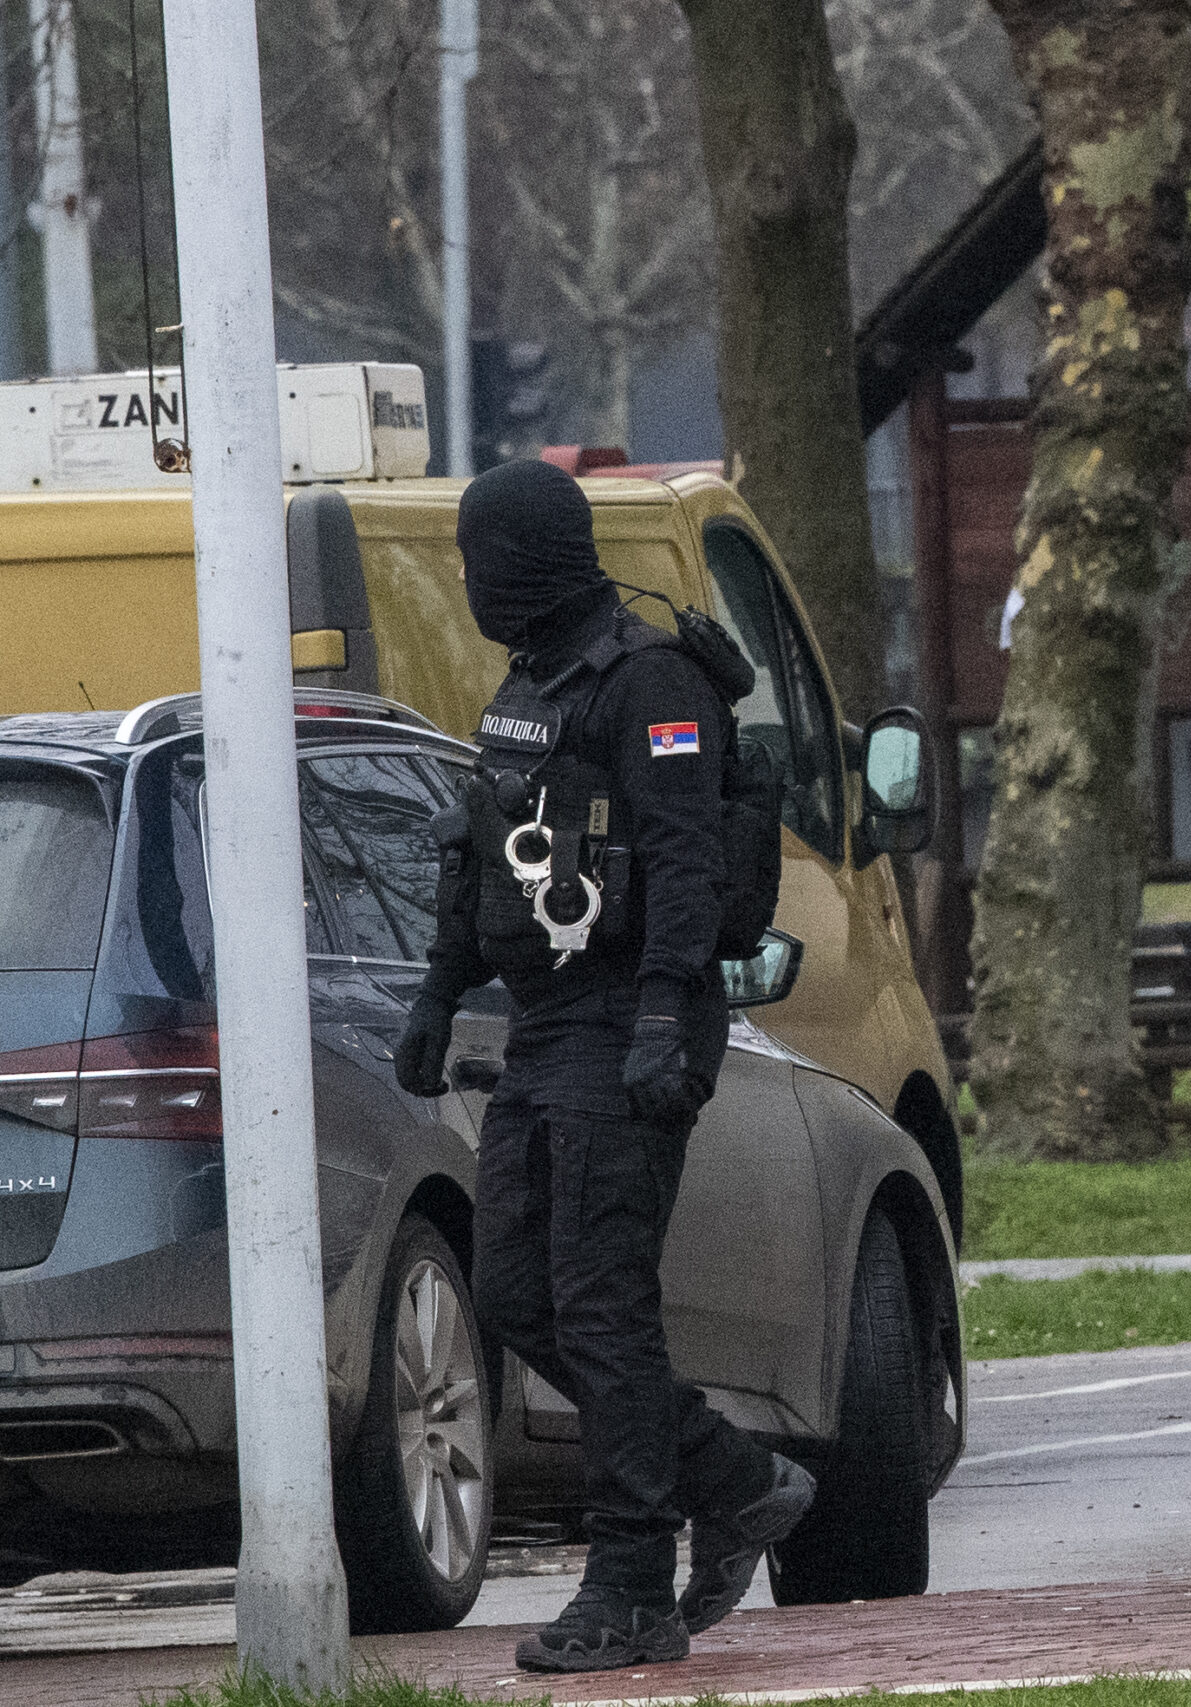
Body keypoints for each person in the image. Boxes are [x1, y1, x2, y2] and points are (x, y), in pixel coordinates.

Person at [393, 460, 813, 1672]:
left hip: (633, 1017)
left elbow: (681, 862)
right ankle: (733, 1480)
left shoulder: (652, 682)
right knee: (518, 1295)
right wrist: (435, 991)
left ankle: (632, 1582)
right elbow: (481, 858)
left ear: (528, 561)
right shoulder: (529, 688)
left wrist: (663, 1017)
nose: (473, 586)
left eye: (484, 562)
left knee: (600, 1301)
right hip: (544, 1025)